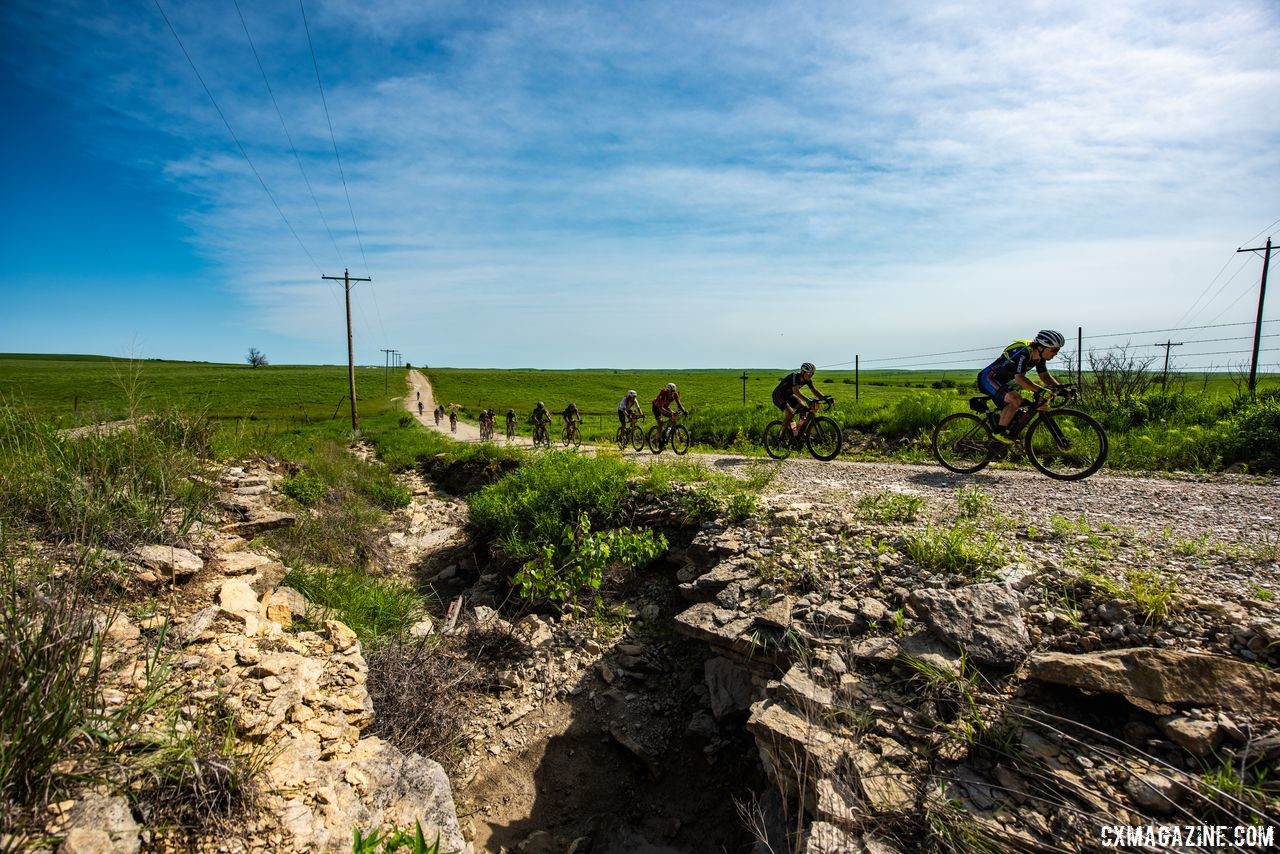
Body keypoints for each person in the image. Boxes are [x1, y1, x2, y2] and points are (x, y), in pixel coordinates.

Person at [978, 329, 1067, 444]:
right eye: (1054, 350)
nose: (1055, 354)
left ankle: (1002, 433)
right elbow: (1019, 379)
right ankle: (999, 433)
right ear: (1041, 347)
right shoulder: (1023, 352)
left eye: (1057, 350)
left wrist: (1062, 389)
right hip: (988, 378)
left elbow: (1045, 376)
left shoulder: (1039, 357)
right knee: (1016, 399)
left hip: (1000, 381)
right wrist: (1041, 390)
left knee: (1023, 406)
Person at [772, 362, 827, 439]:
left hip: (789, 395)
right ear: (803, 372)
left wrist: (825, 398)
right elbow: (796, 391)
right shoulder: (795, 376)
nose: (810, 376)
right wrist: (807, 400)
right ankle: (780, 436)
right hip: (779, 395)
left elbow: (814, 391)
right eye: (809, 374)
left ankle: (798, 431)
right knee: (790, 413)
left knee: (803, 408)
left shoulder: (808, 380)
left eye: (812, 374)